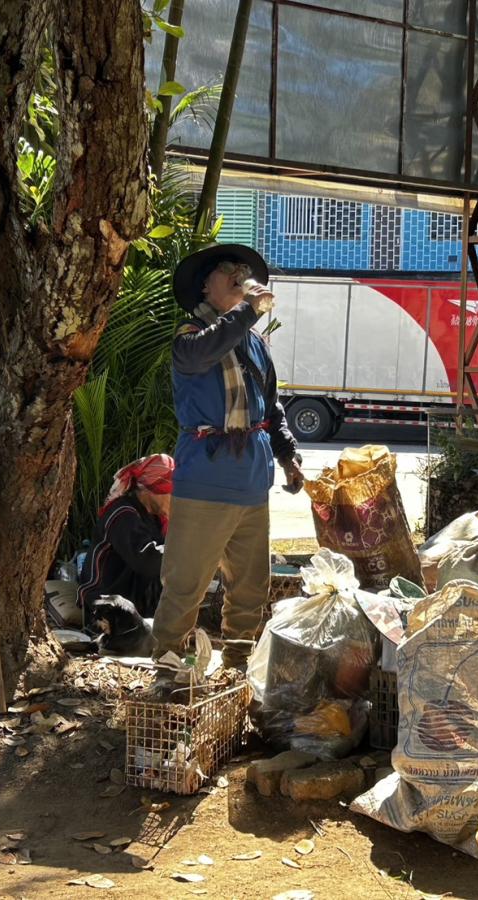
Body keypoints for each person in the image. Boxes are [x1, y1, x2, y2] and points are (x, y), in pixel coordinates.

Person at [151, 243, 303, 670]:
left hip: (253, 482)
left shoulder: (254, 342)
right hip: (205, 479)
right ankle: (167, 670)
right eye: (227, 269)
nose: (238, 273)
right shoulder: (190, 336)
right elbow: (206, 350)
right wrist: (249, 310)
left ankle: (238, 662)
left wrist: (287, 455)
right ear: (205, 286)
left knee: (251, 585)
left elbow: (270, 407)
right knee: (185, 583)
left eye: (243, 269)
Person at [77, 453, 174, 619]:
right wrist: (187, 550)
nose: (175, 501)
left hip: (132, 601)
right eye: (171, 493)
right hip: (105, 605)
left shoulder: (155, 518)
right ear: (153, 490)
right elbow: (147, 562)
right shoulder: (122, 514)